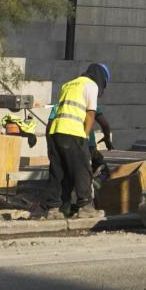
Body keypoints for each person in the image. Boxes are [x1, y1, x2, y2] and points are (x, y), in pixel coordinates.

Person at [47, 62, 113, 219]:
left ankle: (53, 209)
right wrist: (84, 136)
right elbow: (90, 114)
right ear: (101, 78)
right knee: (82, 169)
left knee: (58, 172)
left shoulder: (69, 84)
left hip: (56, 130)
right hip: (74, 131)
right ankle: (85, 207)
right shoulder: (91, 85)